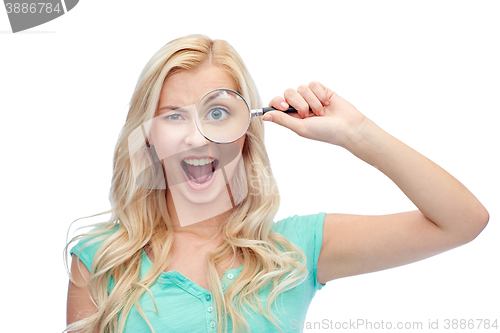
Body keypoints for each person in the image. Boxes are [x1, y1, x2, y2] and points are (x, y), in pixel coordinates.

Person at [65, 34, 489, 333]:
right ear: (150, 137)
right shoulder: (101, 259)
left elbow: (462, 221)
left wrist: (357, 132)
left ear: (245, 133)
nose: (197, 137)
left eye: (217, 113)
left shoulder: (295, 250)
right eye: (174, 116)